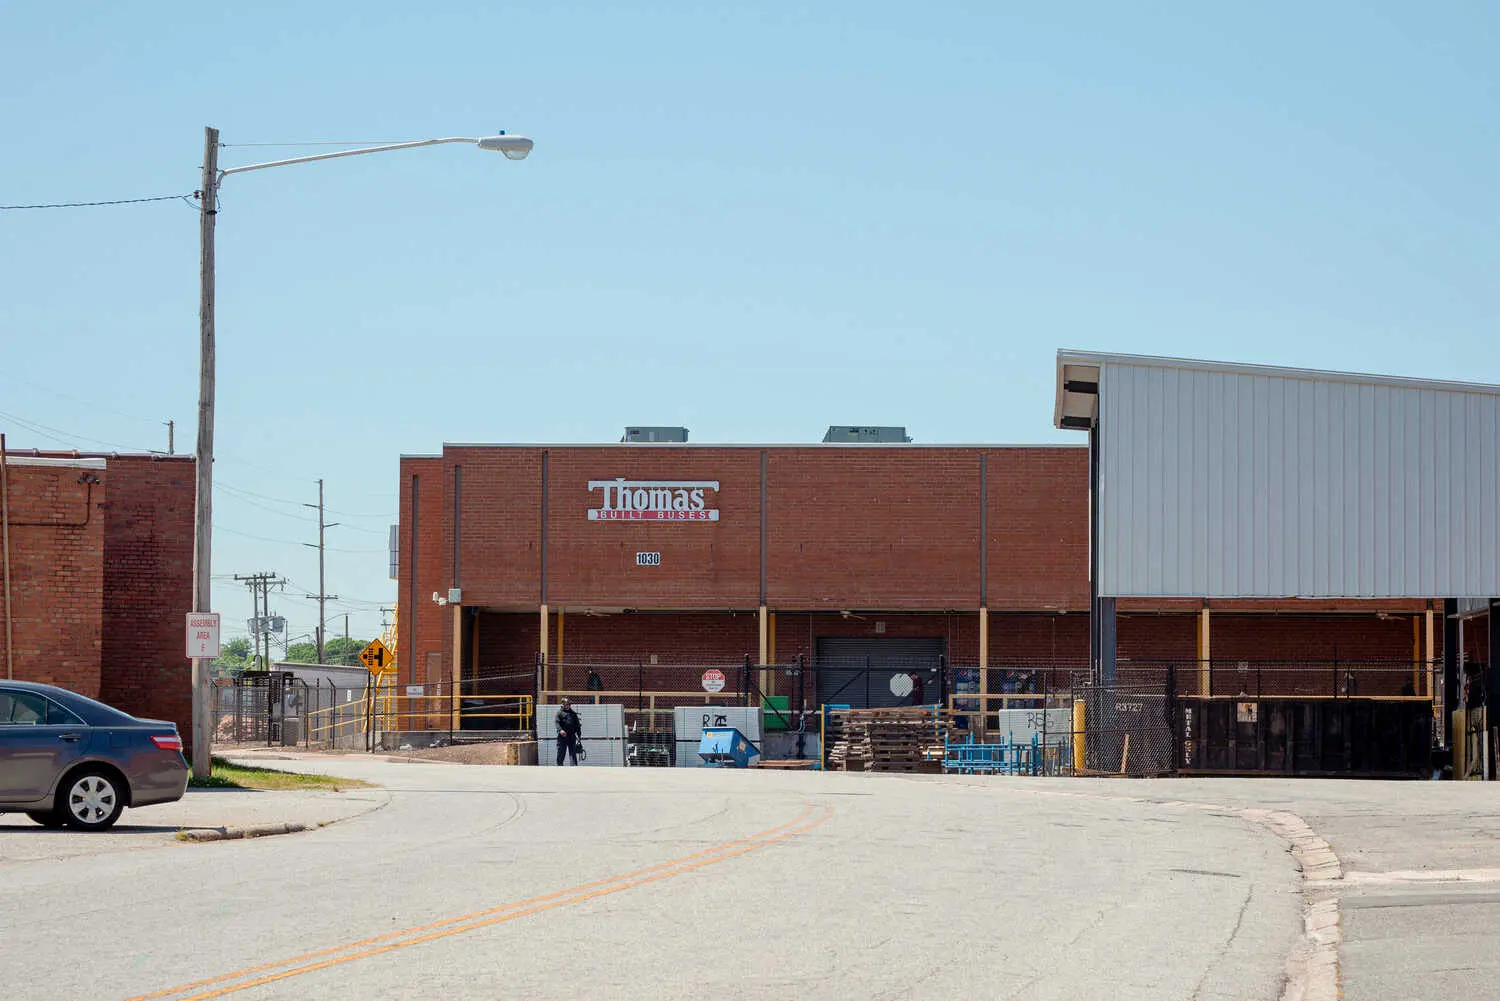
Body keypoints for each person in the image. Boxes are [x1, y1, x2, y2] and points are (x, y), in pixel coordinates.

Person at [555, 698, 583, 766]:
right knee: (561, 752)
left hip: (571, 736)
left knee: (572, 753)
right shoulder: (559, 713)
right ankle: (559, 766)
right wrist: (560, 730)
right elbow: (557, 723)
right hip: (562, 736)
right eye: (566, 704)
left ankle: (574, 768)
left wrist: (579, 736)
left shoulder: (573, 714)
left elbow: (577, 726)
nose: (567, 705)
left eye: (568, 704)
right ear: (563, 704)